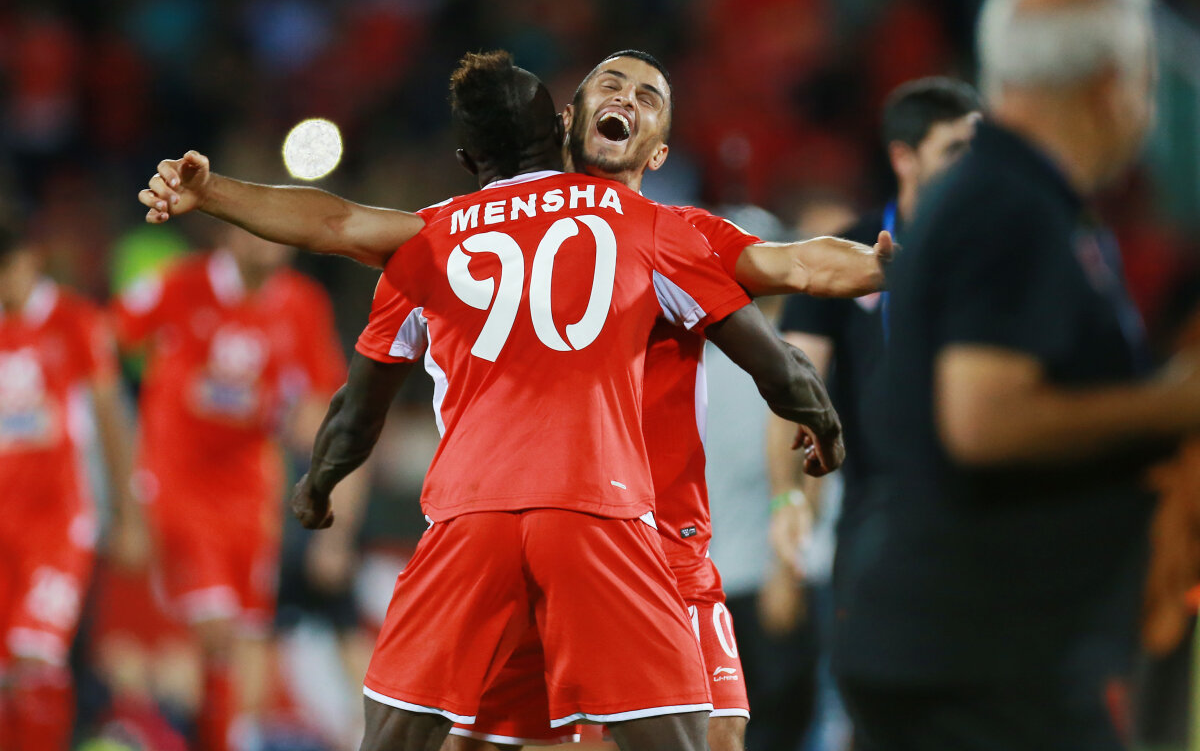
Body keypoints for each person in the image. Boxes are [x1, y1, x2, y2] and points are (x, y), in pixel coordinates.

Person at [139, 48, 886, 751]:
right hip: (601, 521)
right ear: (567, 120)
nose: (626, 98)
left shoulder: (467, 232)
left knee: (700, 737)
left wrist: (887, 260)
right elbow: (786, 317)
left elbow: (802, 263)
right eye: (611, 84)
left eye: (647, 95)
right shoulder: (650, 232)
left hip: (640, 540)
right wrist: (826, 404)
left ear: (659, 151)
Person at [832, 0, 1200, 749]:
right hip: (982, 656)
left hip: (954, 643)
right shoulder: (1009, 204)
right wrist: (1173, 404)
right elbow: (984, 419)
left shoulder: (1004, 196)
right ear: (1111, 84)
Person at [112, 224, 357, 751]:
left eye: (279, 230)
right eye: (259, 228)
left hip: (252, 496)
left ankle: (228, 736)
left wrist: (311, 439)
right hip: (179, 483)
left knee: (245, 637)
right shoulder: (180, 284)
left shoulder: (302, 304)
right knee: (216, 625)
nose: (271, 240)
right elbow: (112, 336)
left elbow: (322, 401)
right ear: (231, 233)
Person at [768, 77, 979, 585]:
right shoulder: (849, 252)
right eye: (954, 150)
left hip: (981, 516)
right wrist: (789, 497)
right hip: (877, 518)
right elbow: (793, 382)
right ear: (904, 158)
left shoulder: (1000, 250)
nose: (972, 165)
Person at [0, 215, 141, 751]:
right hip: (3, 523)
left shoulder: (75, 321)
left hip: (58, 521)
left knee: (36, 657)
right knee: (9, 671)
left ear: (29, 261)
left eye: (7, 270)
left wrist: (128, 514)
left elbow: (111, 420)